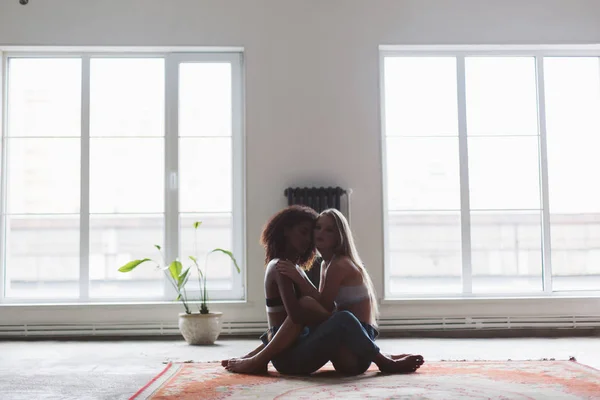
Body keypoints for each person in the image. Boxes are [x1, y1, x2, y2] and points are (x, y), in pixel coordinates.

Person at [223, 207, 424, 375]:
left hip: (347, 348)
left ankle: (384, 359)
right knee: (325, 312)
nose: (316, 236)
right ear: (286, 231)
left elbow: (314, 313)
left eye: (328, 230)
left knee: (328, 313)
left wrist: (302, 281)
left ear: (339, 237)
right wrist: (254, 356)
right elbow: (304, 315)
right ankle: (384, 360)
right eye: (313, 230)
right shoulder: (292, 267)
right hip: (310, 352)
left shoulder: (329, 265)